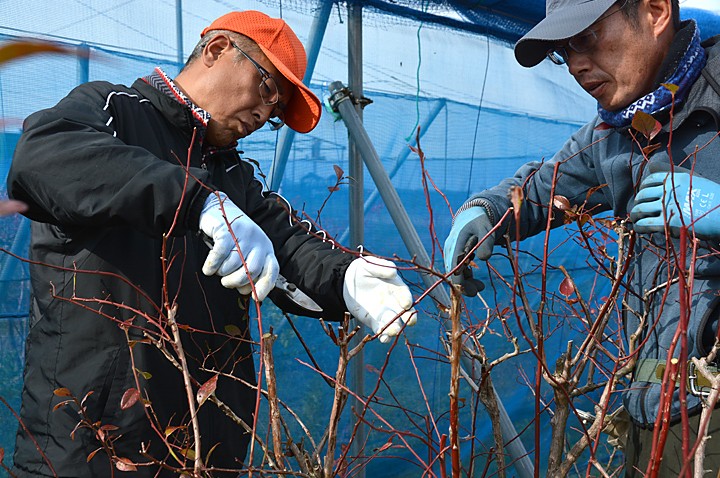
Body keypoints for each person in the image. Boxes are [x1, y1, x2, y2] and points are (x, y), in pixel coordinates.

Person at [7, 10, 417, 477]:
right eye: (266, 89)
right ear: (217, 49)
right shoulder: (113, 111)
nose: (265, 114)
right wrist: (196, 202)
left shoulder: (233, 177)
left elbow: (287, 244)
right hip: (91, 452)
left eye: (277, 112)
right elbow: (42, 158)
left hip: (207, 453)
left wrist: (346, 277)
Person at [444, 0, 720, 475]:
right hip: (653, 407)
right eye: (563, 51)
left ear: (655, 11)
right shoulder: (618, 128)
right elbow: (543, 188)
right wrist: (484, 212)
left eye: (587, 38)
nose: (575, 64)